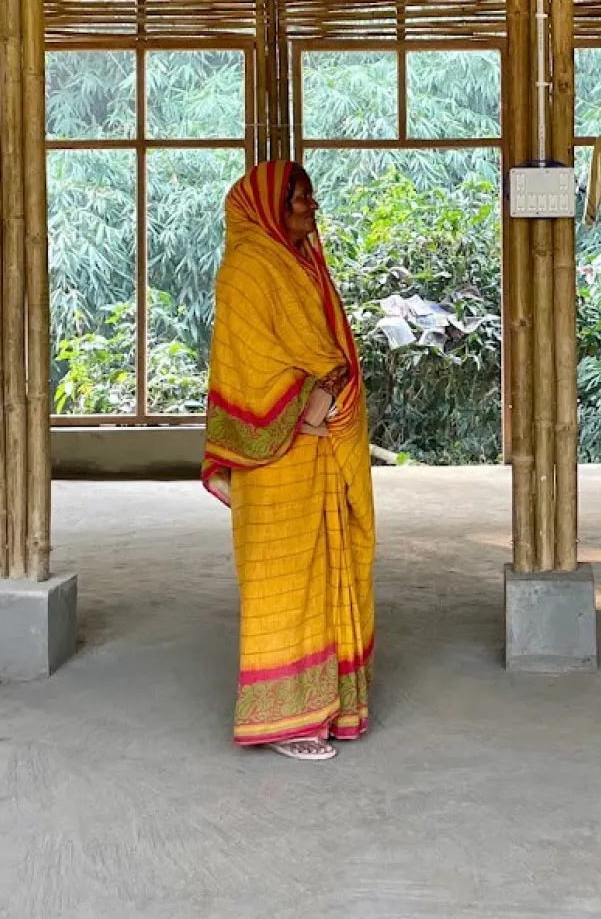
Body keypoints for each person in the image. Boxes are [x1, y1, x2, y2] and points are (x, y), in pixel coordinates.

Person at [201, 161, 376, 762]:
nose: (312, 208)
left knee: (327, 572)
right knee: (284, 581)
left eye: (310, 198)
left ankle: (332, 705)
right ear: (267, 206)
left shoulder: (306, 265)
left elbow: (332, 351)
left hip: (320, 445)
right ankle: (285, 719)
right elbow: (247, 369)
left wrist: (331, 391)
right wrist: (313, 398)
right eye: (300, 199)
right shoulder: (246, 270)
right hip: (274, 457)